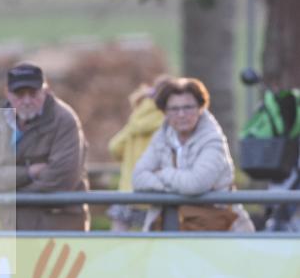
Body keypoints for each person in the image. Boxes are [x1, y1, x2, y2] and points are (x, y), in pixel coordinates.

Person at [0, 63, 89, 231]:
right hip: (12, 228)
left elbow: (61, 179)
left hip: (61, 229)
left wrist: (8, 191)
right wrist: (31, 172)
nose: (26, 100)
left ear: (45, 90)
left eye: (33, 93)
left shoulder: (65, 120)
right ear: (7, 93)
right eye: (19, 94)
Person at [132, 77, 254, 232]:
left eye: (188, 107)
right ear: (165, 112)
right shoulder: (160, 137)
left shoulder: (213, 140)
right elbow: (138, 177)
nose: (181, 114)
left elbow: (196, 183)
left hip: (218, 233)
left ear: (200, 108)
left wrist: (163, 174)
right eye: (174, 109)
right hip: (167, 229)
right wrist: (180, 186)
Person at [106, 79, 166, 231]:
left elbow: (115, 147)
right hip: (155, 193)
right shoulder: (168, 119)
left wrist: (129, 158)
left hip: (127, 191)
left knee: (118, 241)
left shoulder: (137, 116)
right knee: (155, 244)